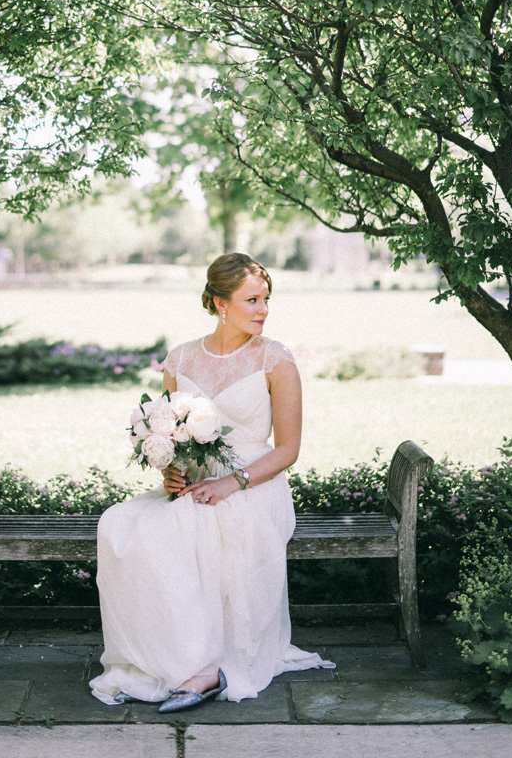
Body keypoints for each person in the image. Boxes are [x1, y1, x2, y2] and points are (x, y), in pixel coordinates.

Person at [89, 252, 334, 712]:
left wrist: (231, 485)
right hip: (197, 484)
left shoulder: (274, 360)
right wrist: (170, 470)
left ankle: (206, 669)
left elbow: (288, 450)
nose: (263, 310)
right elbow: (166, 429)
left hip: (255, 484)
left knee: (188, 526)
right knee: (120, 524)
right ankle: (160, 655)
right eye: (252, 300)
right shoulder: (181, 358)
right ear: (221, 303)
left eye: (266, 300)